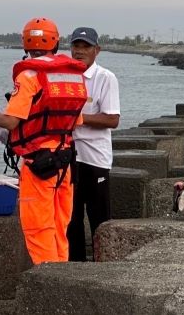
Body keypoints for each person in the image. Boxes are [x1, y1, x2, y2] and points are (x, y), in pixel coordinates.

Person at [0, 17, 87, 264]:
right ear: (56, 43)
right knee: (61, 226)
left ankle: (46, 282)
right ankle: (62, 279)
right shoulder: (73, 77)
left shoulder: (29, 76)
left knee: (38, 229)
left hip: (38, 165)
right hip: (65, 162)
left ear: (25, 44)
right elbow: (76, 122)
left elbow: (10, 122)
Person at [66, 27, 120, 262]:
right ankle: (76, 268)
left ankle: (103, 268)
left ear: (97, 50)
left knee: (99, 217)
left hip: (95, 158)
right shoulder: (64, 76)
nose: (80, 51)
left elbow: (112, 119)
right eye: (76, 46)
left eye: (86, 46)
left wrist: (79, 118)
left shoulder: (105, 78)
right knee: (71, 218)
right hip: (68, 157)